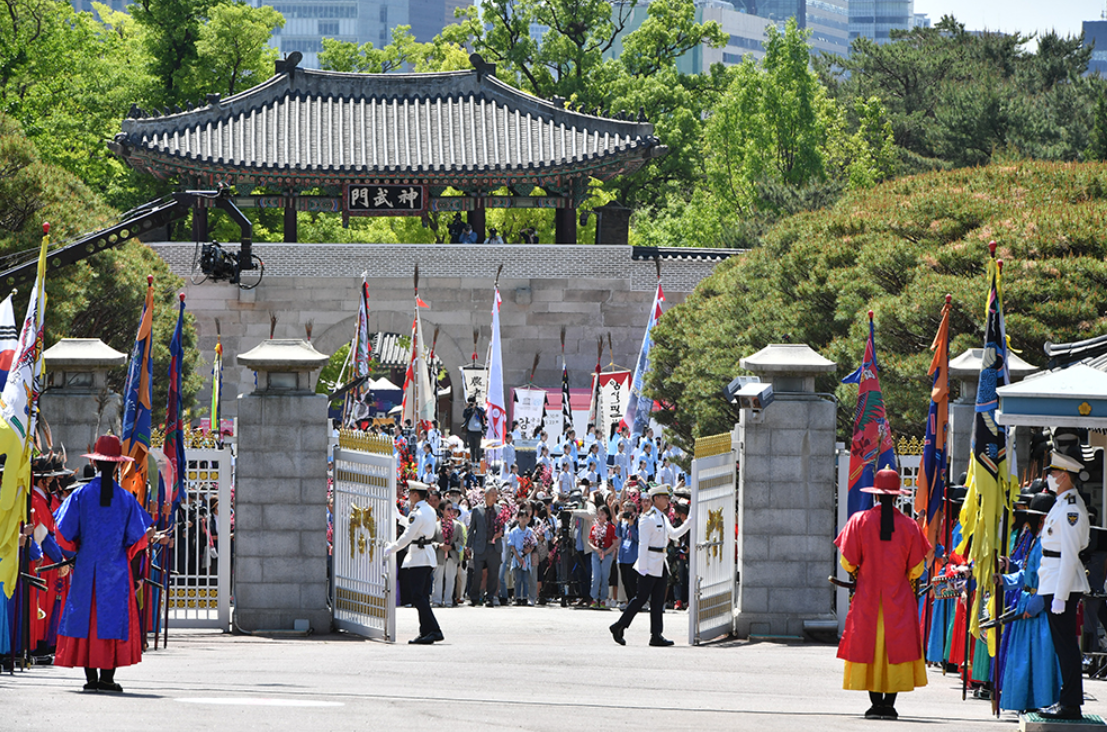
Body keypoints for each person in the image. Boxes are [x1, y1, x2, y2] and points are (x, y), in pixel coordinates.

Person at [52, 435, 158, 693]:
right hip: (116, 570)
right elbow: (138, 539)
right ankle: (107, 679)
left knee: (86, 618)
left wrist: (78, 548)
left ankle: (90, 679)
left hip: (88, 567)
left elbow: (62, 533)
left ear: (96, 464)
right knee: (111, 619)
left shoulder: (80, 495)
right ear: (119, 466)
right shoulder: (126, 499)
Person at [834, 468, 929, 720]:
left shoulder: (858, 520)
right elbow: (917, 568)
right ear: (897, 497)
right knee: (895, 648)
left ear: (875, 495)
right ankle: (889, 705)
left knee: (870, 647)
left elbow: (847, 561)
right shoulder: (910, 526)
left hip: (868, 598)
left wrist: (860, 571)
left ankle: (875, 704)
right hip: (899, 598)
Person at [1037, 451, 1091, 720]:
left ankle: (1070, 703)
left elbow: (1069, 554)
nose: (1049, 477)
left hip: (1062, 583)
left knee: (1066, 646)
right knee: (1063, 646)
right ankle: (1067, 699)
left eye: (1053, 473)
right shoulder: (1061, 503)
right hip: (1053, 580)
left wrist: (1060, 595)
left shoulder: (1071, 508)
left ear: (1065, 476)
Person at [998, 491, 1062, 712]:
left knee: (1037, 658)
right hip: (1027, 602)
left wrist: (1034, 607)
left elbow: (1048, 578)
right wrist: (1003, 580)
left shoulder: (1047, 541)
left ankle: (1040, 702)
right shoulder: (1037, 538)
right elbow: (1026, 574)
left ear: (1041, 518)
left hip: (1038, 608)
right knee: (1023, 657)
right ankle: (1025, 701)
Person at [609, 484, 691, 646]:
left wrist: (689, 521)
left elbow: (674, 534)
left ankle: (656, 635)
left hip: (661, 562)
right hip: (649, 562)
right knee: (641, 598)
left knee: (658, 601)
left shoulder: (662, 517)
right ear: (656, 499)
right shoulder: (648, 518)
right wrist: (643, 567)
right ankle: (619, 626)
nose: (667, 500)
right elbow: (643, 544)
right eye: (664, 497)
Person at [383, 481, 443, 644]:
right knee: (422, 596)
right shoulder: (429, 510)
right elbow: (416, 527)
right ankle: (426, 631)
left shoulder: (417, 513)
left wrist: (392, 548)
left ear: (416, 495)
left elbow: (408, 536)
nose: (408, 497)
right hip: (427, 556)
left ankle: (434, 630)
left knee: (417, 596)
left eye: (410, 494)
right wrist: (401, 518)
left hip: (419, 558)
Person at [466, 485, 504, 606]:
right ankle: (474, 596)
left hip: (494, 547)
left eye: (496, 495)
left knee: (493, 573)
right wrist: (468, 546)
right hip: (480, 546)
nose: (494, 497)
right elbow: (471, 529)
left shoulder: (499, 509)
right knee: (477, 573)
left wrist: (500, 533)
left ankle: (490, 597)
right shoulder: (477, 510)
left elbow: (503, 526)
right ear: (486, 495)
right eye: (492, 494)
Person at [589, 505, 616, 609]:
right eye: (599, 514)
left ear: (607, 515)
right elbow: (590, 541)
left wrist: (606, 552)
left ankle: (604, 599)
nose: (600, 516)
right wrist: (597, 550)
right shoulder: (594, 527)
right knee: (596, 577)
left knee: (605, 577)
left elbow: (615, 543)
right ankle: (595, 598)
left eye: (602, 514)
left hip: (607, 551)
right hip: (596, 552)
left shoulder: (611, 527)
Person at [507, 508, 535, 606]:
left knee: (526, 579)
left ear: (528, 519)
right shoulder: (514, 531)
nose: (523, 519)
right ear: (518, 518)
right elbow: (512, 545)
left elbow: (533, 544)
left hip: (526, 558)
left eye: (525, 517)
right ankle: (517, 597)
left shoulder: (530, 531)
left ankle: (525, 598)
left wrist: (527, 551)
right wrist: (518, 557)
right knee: (517, 579)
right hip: (517, 556)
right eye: (521, 517)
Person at [462, 397, 486, 463]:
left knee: (478, 447)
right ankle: (472, 461)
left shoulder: (479, 409)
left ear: (475, 402)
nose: (471, 404)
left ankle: (478, 461)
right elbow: (464, 415)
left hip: (478, 431)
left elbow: (483, 412)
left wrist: (475, 407)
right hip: (470, 431)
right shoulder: (469, 410)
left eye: (472, 403)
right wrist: (467, 408)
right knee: (471, 447)